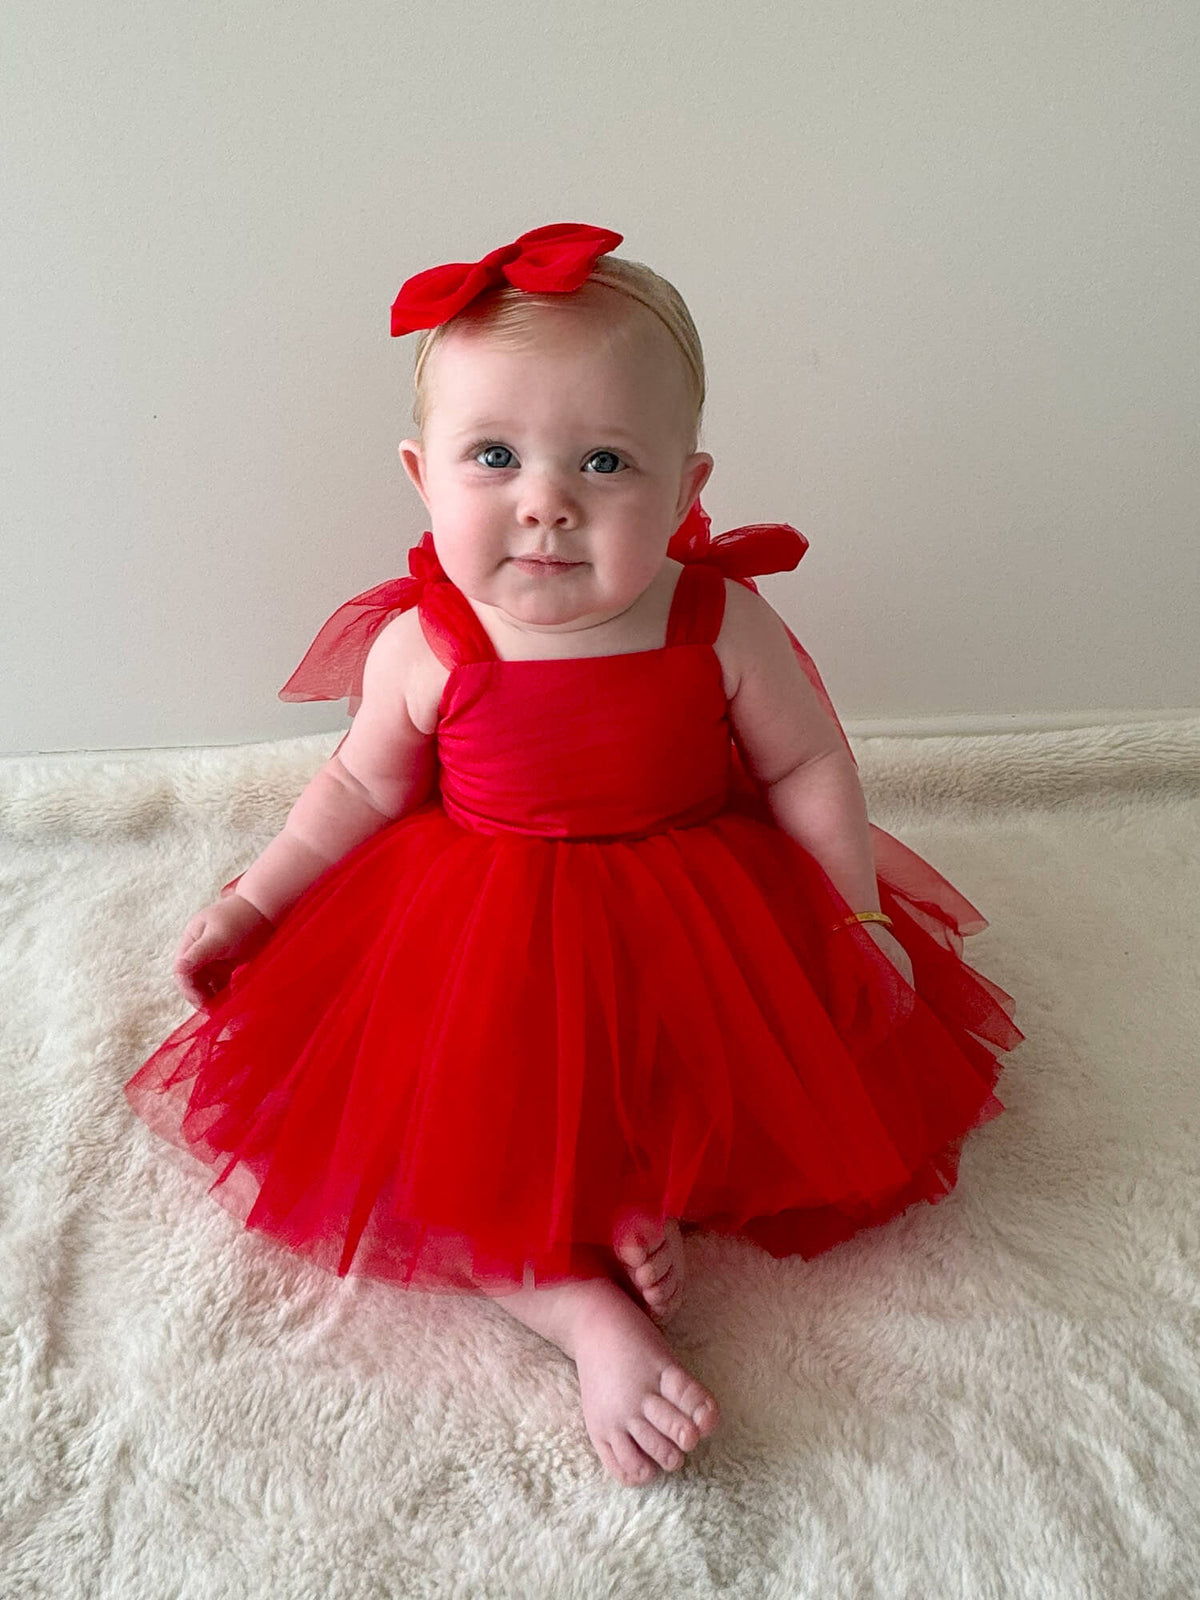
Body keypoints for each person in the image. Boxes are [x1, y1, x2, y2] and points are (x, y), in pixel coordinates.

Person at [126, 222, 1024, 1489]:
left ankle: (622, 1196)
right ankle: (577, 1304)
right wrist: (259, 905)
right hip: (477, 919)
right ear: (420, 473)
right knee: (442, 1126)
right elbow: (356, 787)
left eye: (606, 461)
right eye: (493, 455)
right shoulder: (429, 646)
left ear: (686, 485)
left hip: (697, 903)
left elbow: (808, 765)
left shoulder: (722, 620)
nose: (546, 499)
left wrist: (853, 917)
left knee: (708, 1069)